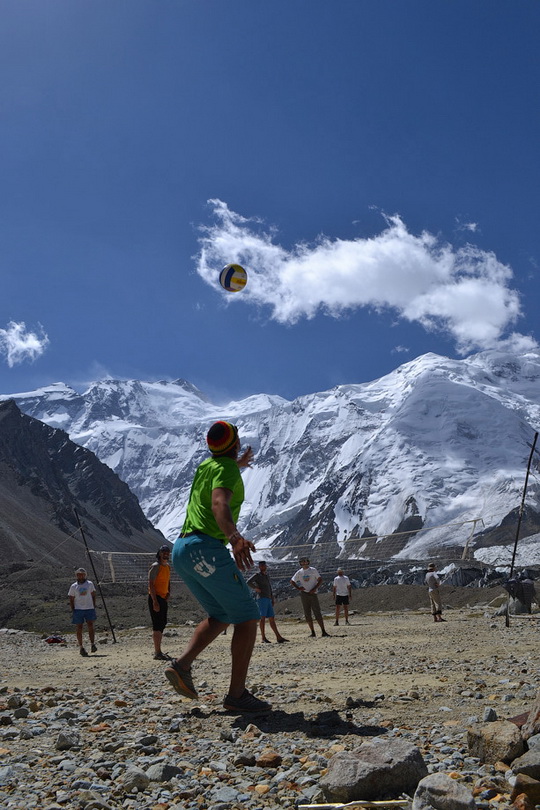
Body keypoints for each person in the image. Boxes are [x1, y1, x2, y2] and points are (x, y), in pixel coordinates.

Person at [165, 421, 271, 713]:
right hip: (206, 548)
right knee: (248, 616)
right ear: (235, 443)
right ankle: (237, 696)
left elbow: (221, 472)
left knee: (223, 613)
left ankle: (181, 665)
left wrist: (237, 463)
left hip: (182, 549)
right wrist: (235, 538)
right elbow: (218, 503)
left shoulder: (207, 467)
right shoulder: (224, 470)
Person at [247, 560, 289, 643]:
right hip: (262, 598)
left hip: (268, 598)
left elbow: (269, 587)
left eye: (264, 565)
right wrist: (256, 588)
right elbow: (248, 582)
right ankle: (263, 638)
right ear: (259, 567)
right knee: (262, 618)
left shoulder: (266, 576)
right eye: (261, 566)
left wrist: (272, 598)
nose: (263, 567)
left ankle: (278, 637)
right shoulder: (257, 575)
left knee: (271, 618)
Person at [290, 557, 330, 638]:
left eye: (305, 561)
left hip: (313, 593)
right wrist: (298, 588)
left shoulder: (313, 570)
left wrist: (315, 588)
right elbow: (292, 581)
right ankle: (312, 632)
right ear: (300, 563)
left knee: (317, 612)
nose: (304, 563)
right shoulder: (299, 572)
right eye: (302, 561)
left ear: (308, 562)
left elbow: (320, 579)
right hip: (304, 594)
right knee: (307, 613)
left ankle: (323, 631)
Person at [148, 544, 172, 660]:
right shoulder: (155, 566)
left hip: (163, 598)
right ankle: (157, 652)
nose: (166, 554)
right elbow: (151, 584)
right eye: (164, 552)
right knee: (157, 625)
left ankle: (159, 651)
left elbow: (168, 581)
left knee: (162, 623)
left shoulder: (167, 566)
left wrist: (168, 592)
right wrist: (154, 601)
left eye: (167, 552)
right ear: (159, 554)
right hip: (156, 598)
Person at [68, 568, 97, 656]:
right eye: (78, 574)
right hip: (78, 609)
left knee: (90, 625)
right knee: (79, 627)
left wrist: (93, 605)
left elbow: (93, 595)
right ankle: (81, 647)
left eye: (81, 574)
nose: (80, 576)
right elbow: (71, 598)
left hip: (89, 608)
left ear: (85, 575)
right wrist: (73, 609)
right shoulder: (73, 586)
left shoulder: (90, 584)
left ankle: (92, 644)